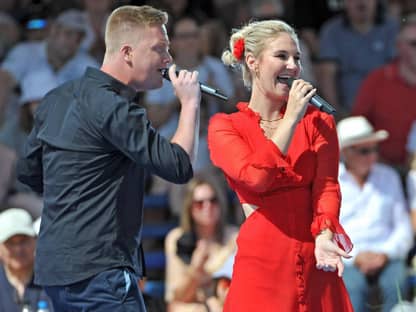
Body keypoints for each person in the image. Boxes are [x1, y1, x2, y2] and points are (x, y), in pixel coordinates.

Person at [17, 4, 200, 311]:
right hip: (100, 272)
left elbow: (29, 171)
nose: (169, 60)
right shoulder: (116, 108)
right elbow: (179, 165)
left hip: (55, 272)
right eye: (160, 49)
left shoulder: (55, 98)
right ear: (127, 52)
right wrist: (190, 103)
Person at [207, 19, 354, 311]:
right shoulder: (225, 127)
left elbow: (327, 186)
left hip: (314, 258)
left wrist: (325, 234)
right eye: (282, 56)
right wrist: (291, 120)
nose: (292, 66)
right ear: (253, 62)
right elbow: (257, 178)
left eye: (297, 58)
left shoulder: (318, 122)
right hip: (263, 265)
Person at [336, 116, 413, 312]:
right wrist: (355, 256)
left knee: (396, 284)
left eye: (374, 149)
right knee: (351, 287)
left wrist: (384, 253)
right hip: (347, 259)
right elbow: (328, 229)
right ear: (345, 152)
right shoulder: (331, 181)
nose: (373, 156)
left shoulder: (389, 176)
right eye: (364, 151)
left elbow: (403, 227)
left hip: (387, 255)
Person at [351, 13, 416, 171]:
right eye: (414, 43)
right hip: (381, 171)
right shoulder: (377, 80)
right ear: (399, 46)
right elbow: (357, 129)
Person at [164, 173, 238, 311]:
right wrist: (196, 270)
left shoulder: (234, 237)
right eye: (200, 203)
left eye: (213, 200)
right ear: (189, 208)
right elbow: (176, 297)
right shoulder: (177, 239)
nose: (207, 206)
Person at [318, 0, 399, 115]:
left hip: (388, 106)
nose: (361, 2)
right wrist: (335, 112)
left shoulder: (393, 28)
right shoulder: (331, 30)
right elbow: (327, 74)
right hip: (349, 110)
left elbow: (401, 69)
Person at [0, 208, 53, 312]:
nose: (18, 249)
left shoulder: (51, 282)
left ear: (35, 241)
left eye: (23, 240)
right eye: (10, 243)